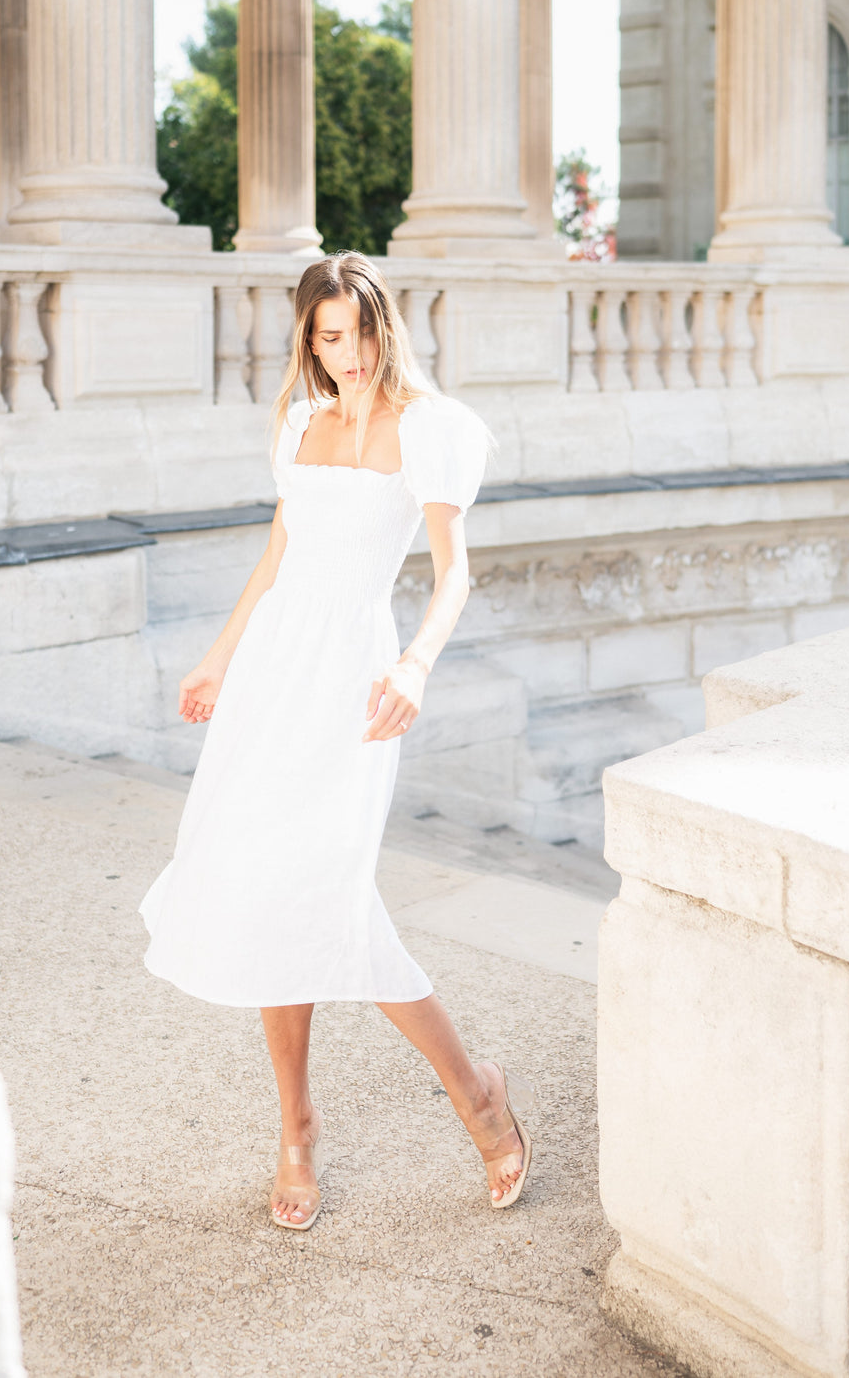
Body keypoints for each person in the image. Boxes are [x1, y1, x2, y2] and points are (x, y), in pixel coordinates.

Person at [139, 251, 534, 1231]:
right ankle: (296, 1124)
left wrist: (414, 665)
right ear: (306, 340)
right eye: (325, 338)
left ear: (381, 329)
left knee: (332, 896)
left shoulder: (427, 429)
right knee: (264, 884)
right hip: (274, 667)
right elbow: (280, 547)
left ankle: (477, 1094)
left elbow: (453, 573)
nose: (345, 356)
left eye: (357, 335)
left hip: (353, 674)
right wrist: (218, 655)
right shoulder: (297, 422)